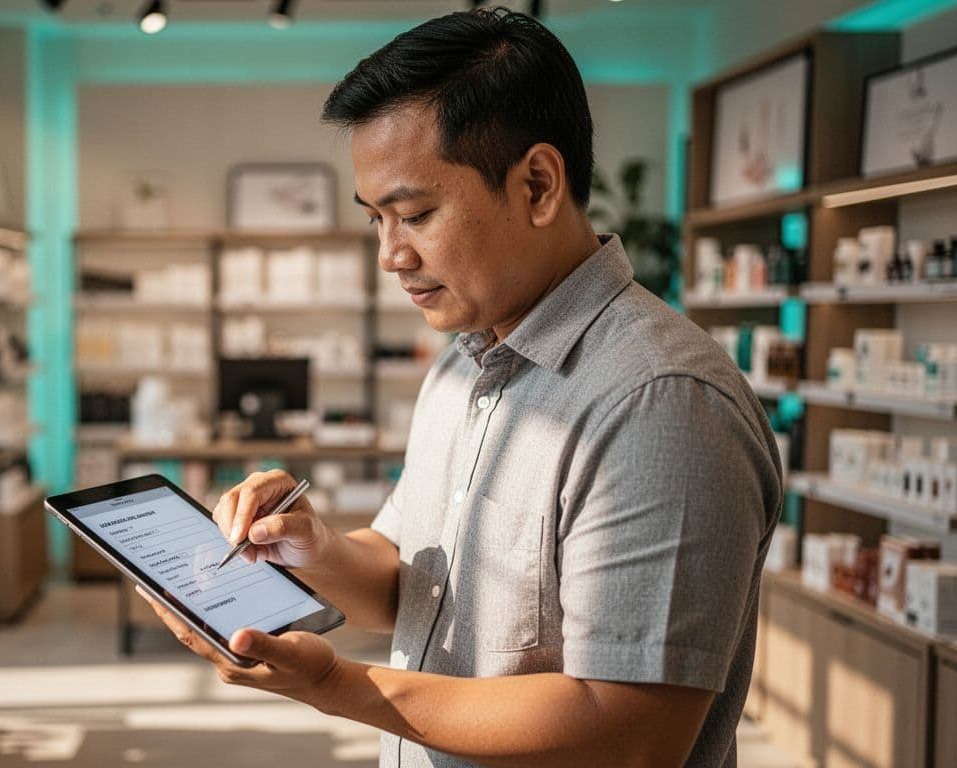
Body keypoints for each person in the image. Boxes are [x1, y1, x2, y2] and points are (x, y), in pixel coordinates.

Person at [139, 8, 782, 767]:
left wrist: (342, 687)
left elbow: (631, 732)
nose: (389, 255)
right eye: (376, 218)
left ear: (538, 185)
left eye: (413, 214)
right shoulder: (463, 362)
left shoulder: (662, 402)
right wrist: (312, 550)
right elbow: (412, 585)